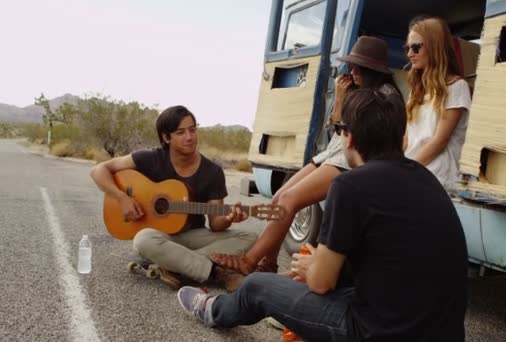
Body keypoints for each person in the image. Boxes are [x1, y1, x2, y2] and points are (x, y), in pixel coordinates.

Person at [177, 89, 469, 341]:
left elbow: (320, 283)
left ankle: (212, 310)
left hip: (377, 333)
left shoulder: (350, 184)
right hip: (443, 333)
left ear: (349, 138)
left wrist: (312, 267)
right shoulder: (427, 180)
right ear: (401, 138)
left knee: (257, 285)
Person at [209, 35, 403, 275]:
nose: (351, 70)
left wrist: (343, 103)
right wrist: (342, 97)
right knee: (279, 196)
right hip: (330, 153)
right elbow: (335, 127)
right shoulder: (356, 89)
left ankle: (248, 263)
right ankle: (268, 265)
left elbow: (356, 132)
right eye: (350, 64)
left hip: (349, 157)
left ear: (371, 68)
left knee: (290, 200)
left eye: (357, 66)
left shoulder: (385, 95)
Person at [90, 105, 256, 290]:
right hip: (160, 236)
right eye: (181, 132)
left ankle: (173, 264)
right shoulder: (150, 158)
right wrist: (121, 198)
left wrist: (228, 218)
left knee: (250, 238)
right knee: (143, 240)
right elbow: (99, 170)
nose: (190, 137)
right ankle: (214, 272)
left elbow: (216, 224)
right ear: (166, 137)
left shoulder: (212, 172)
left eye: (193, 129)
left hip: (192, 235)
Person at [403, 15, 472, 189]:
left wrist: (404, 170)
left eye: (416, 47)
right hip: (413, 171)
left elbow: (439, 142)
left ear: (435, 48)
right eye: (408, 48)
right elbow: (407, 138)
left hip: (438, 178)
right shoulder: (417, 90)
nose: (410, 54)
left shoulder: (457, 87)